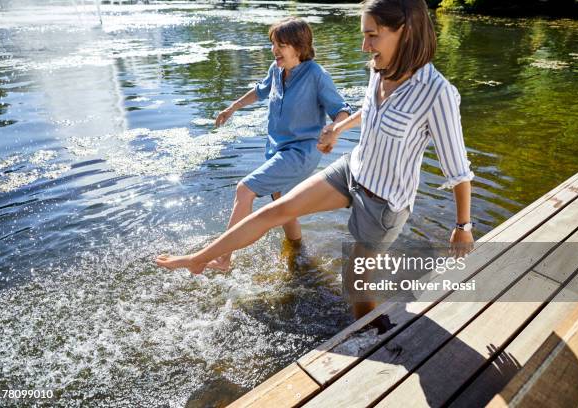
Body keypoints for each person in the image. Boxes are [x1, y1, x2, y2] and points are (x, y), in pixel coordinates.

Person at [157, 0, 474, 321]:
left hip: (384, 201)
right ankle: (200, 259)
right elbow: (371, 112)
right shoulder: (381, 69)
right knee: (276, 210)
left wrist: (463, 226)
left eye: (372, 36)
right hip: (353, 170)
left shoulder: (437, 93)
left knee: (355, 284)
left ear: (403, 31)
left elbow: (458, 170)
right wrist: (338, 128)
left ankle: (375, 336)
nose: (365, 46)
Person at [204, 17, 350, 271]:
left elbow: (342, 109)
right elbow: (261, 90)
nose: (275, 51)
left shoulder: (316, 75)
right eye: (273, 44)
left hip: (300, 152)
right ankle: (298, 254)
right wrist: (232, 107)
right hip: (278, 150)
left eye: (281, 45)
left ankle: (223, 258)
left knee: (244, 190)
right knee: (283, 205)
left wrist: (334, 129)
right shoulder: (276, 69)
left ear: (299, 47)